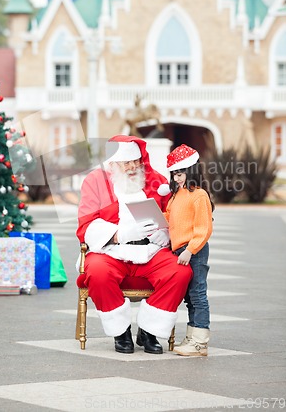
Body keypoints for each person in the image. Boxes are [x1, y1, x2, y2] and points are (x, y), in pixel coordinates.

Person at [76, 135, 193, 354]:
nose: (132, 167)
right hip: (110, 250)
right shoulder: (95, 181)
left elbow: (175, 213)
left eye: (135, 161)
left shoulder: (155, 181)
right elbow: (86, 223)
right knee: (98, 272)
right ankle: (120, 332)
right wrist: (121, 234)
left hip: (150, 251)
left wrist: (167, 233)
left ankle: (148, 331)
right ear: (112, 164)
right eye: (126, 163)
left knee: (180, 271)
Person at [164, 143, 214, 356]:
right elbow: (171, 218)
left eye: (181, 173)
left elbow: (203, 228)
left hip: (194, 251)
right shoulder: (177, 195)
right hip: (181, 250)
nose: (177, 177)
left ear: (191, 170)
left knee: (198, 294)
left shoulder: (199, 195)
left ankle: (200, 342)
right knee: (189, 296)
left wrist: (190, 250)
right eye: (174, 173)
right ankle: (192, 336)